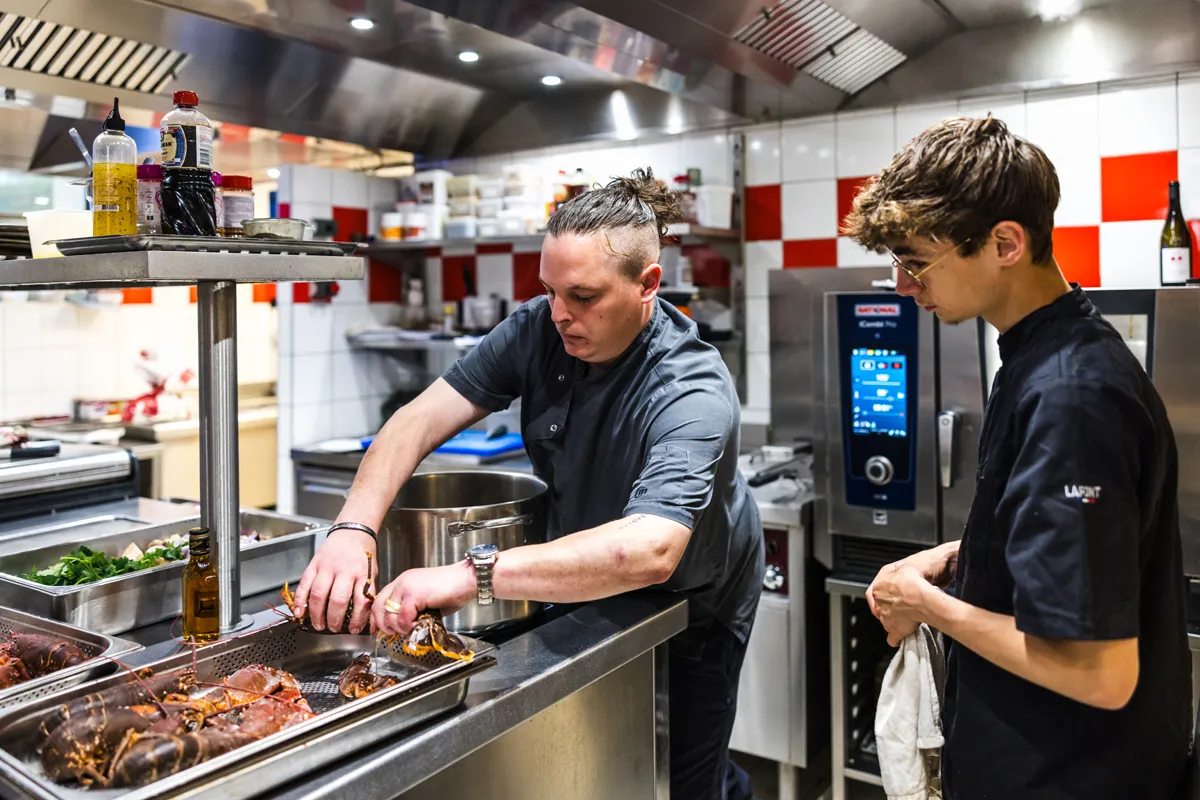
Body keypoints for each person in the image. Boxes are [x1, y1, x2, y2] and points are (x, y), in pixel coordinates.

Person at [292, 168, 765, 800]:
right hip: (586, 574)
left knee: (682, 769)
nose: (560, 314)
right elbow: (416, 420)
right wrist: (352, 530)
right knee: (601, 757)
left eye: (584, 296)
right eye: (549, 291)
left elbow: (651, 550)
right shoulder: (540, 328)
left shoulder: (692, 387)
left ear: (648, 285)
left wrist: (470, 575)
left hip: (693, 601)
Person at [844, 116, 1192, 799]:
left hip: (1070, 776)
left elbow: (1098, 671)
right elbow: (1059, 535)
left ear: (1006, 242)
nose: (904, 285)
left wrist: (927, 604)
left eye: (917, 260)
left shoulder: (1072, 396)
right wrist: (956, 556)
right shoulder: (1039, 358)